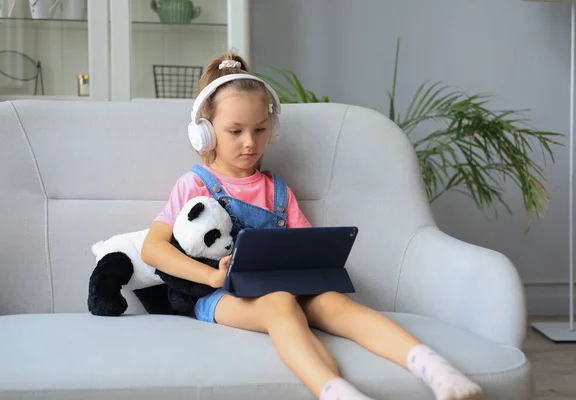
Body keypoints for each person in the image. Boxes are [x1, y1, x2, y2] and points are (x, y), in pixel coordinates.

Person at [141, 50, 482, 400]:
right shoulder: (194, 184)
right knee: (279, 305)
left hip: (286, 284)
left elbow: (303, 245)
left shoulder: (278, 190)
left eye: (259, 129)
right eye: (235, 131)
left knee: (337, 305)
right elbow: (152, 248)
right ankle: (335, 392)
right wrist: (212, 276)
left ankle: (438, 371)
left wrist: (316, 269)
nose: (250, 142)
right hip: (220, 294)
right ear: (205, 133)